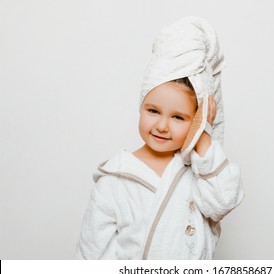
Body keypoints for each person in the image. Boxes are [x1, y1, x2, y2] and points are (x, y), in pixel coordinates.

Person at [75, 16, 244, 260]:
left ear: (196, 120)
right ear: (141, 106)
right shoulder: (114, 180)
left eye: (178, 117)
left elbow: (223, 202)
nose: (162, 126)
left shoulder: (199, 172)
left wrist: (204, 136)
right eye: (153, 111)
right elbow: (89, 256)